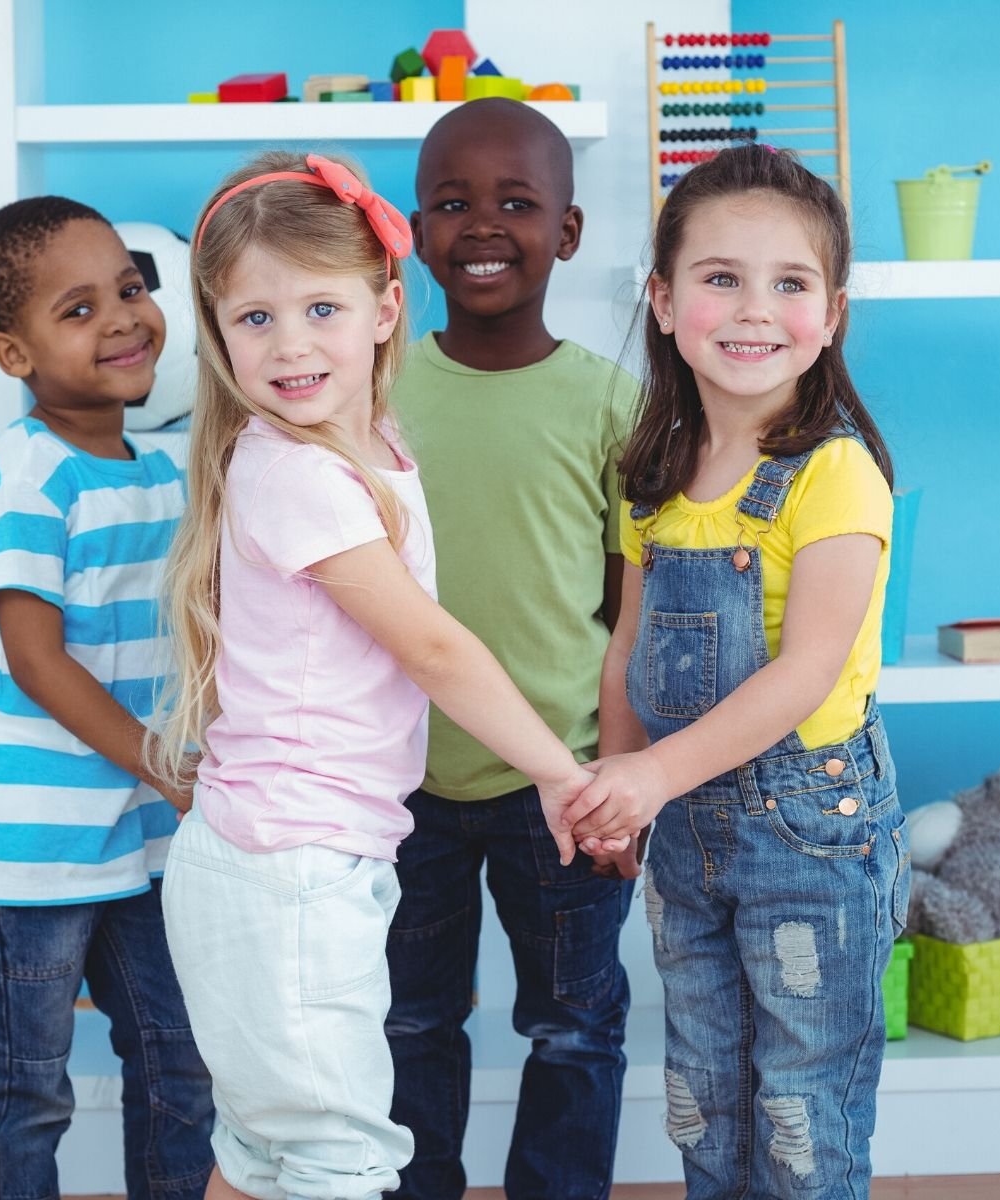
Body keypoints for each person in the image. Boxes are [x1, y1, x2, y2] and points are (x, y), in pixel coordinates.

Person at [148, 151, 625, 1200]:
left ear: (383, 309)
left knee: (266, 1155)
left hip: (286, 864)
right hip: (290, 877)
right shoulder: (298, 474)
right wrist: (558, 770)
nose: (288, 343)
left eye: (320, 306)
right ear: (218, 336)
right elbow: (435, 648)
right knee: (332, 1164)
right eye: (253, 319)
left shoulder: (360, 450)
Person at [568, 145, 908, 1200]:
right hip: (685, 838)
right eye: (720, 278)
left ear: (832, 312)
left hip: (811, 833)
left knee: (801, 1107)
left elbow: (805, 670)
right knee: (705, 1095)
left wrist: (650, 777)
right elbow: (624, 646)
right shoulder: (653, 475)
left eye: (789, 283)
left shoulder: (834, 472)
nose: (754, 309)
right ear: (663, 301)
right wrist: (617, 787)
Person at [382, 96, 639, 1200]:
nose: (481, 225)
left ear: (567, 235)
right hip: (399, 786)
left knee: (573, 1030)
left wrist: (619, 777)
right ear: (412, 231)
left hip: (563, 784)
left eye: (516, 204)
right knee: (407, 1023)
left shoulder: (611, 403)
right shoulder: (368, 389)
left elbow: (630, 610)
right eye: (451, 203)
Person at [0, 195, 213, 1200]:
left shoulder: (156, 470)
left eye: (132, 290)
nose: (124, 319)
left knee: (178, 1058)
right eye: (79, 309)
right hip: (30, 846)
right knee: (28, 1080)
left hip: (139, 834)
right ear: (15, 355)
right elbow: (36, 661)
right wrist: (163, 764)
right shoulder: (22, 477)